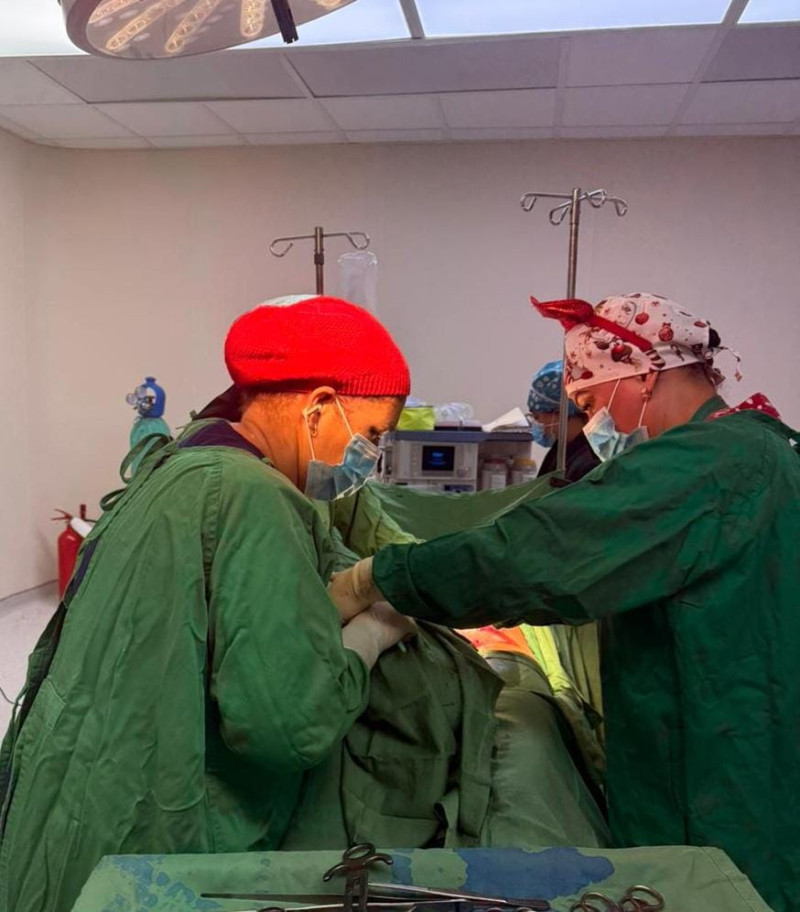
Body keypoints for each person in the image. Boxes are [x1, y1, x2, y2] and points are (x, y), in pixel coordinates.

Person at [329, 292, 800, 912]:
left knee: (717, 891)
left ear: (643, 375)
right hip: (749, 749)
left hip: (723, 775)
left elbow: (543, 553)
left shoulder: (709, 466)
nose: (589, 423)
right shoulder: (759, 447)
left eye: (588, 403)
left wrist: (384, 578)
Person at [0, 295, 415, 912]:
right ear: (319, 406)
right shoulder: (254, 495)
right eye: (373, 433)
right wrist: (374, 633)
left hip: (72, 793)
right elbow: (284, 725)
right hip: (146, 830)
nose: (370, 456)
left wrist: (328, 597)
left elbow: (211, 618)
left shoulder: (188, 459)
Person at [527, 359, 599, 482]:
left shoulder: (589, 462)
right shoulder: (562, 449)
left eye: (537, 417)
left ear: (559, 413)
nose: (536, 423)